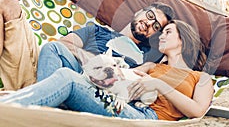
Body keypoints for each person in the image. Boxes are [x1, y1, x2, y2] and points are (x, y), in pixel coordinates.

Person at [0, 20, 214, 121]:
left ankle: (19, 105)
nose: (162, 36)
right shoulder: (152, 66)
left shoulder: (201, 78)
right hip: (121, 104)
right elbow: (120, 81)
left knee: (68, 78)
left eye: (167, 32)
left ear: (183, 40)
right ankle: (29, 105)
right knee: (67, 71)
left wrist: (158, 84)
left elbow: (197, 111)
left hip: (148, 118)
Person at [0, 0, 175, 90]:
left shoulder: (144, 57)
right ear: (139, 12)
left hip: (79, 87)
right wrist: (96, 60)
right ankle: (37, 95)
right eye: (150, 15)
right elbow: (62, 45)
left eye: (156, 26)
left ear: (155, 35)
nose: (149, 23)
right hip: (35, 72)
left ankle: (39, 100)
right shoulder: (97, 31)